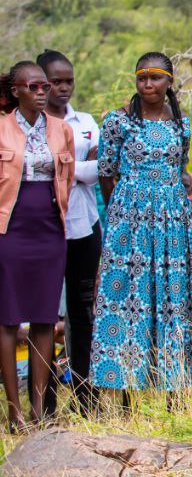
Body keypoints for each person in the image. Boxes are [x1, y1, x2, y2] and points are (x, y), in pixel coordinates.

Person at [93, 53, 192, 395]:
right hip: (129, 222)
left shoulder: (181, 123)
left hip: (173, 220)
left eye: (155, 77)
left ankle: (175, 388)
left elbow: (180, 168)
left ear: (169, 81)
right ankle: (124, 390)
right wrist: (125, 209)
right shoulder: (118, 121)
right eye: (142, 77)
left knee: (173, 298)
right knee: (129, 298)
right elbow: (106, 172)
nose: (148, 84)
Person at [0, 62, 74, 431]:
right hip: (9, 229)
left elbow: (67, 180)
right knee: (9, 319)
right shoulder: (0, 128)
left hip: (48, 228)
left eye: (46, 85)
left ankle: (40, 410)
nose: (43, 91)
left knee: (46, 317)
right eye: (34, 86)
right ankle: (13, 412)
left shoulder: (62, 130)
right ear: (16, 91)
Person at [37, 49, 100, 413]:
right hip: (44, 228)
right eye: (54, 82)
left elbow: (99, 167)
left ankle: (85, 397)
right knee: (45, 314)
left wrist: (65, 166)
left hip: (83, 226)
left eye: (68, 81)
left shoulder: (86, 120)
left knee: (82, 313)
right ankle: (43, 401)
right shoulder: (30, 126)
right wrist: (77, 166)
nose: (63, 88)